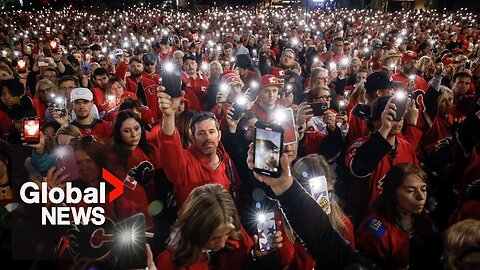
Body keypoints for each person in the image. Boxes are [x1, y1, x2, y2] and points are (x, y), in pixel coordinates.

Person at [245, 143, 369, 269]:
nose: (320, 201)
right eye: (310, 195)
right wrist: (260, 257)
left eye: (327, 193)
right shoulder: (275, 222)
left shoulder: (343, 225)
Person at [155, 183, 283, 269]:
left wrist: (257, 257)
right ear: (195, 229)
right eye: (214, 238)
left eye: (226, 234)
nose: (222, 244)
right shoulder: (168, 262)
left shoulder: (236, 235)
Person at [157, 89, 241, 208]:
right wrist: (169, 115)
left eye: (211, 132)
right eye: (201, 133)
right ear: (192, 137)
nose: (207, 137)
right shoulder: (184, 163)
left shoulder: (227, 162)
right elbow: (168, 144)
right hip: (195, 226)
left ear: (219, 135)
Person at [355, 163, 432, 269]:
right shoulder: (375, 231)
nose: (421, 196)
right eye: (410, 190)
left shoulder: (425, 219)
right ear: (392, 192)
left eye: (423, 189)